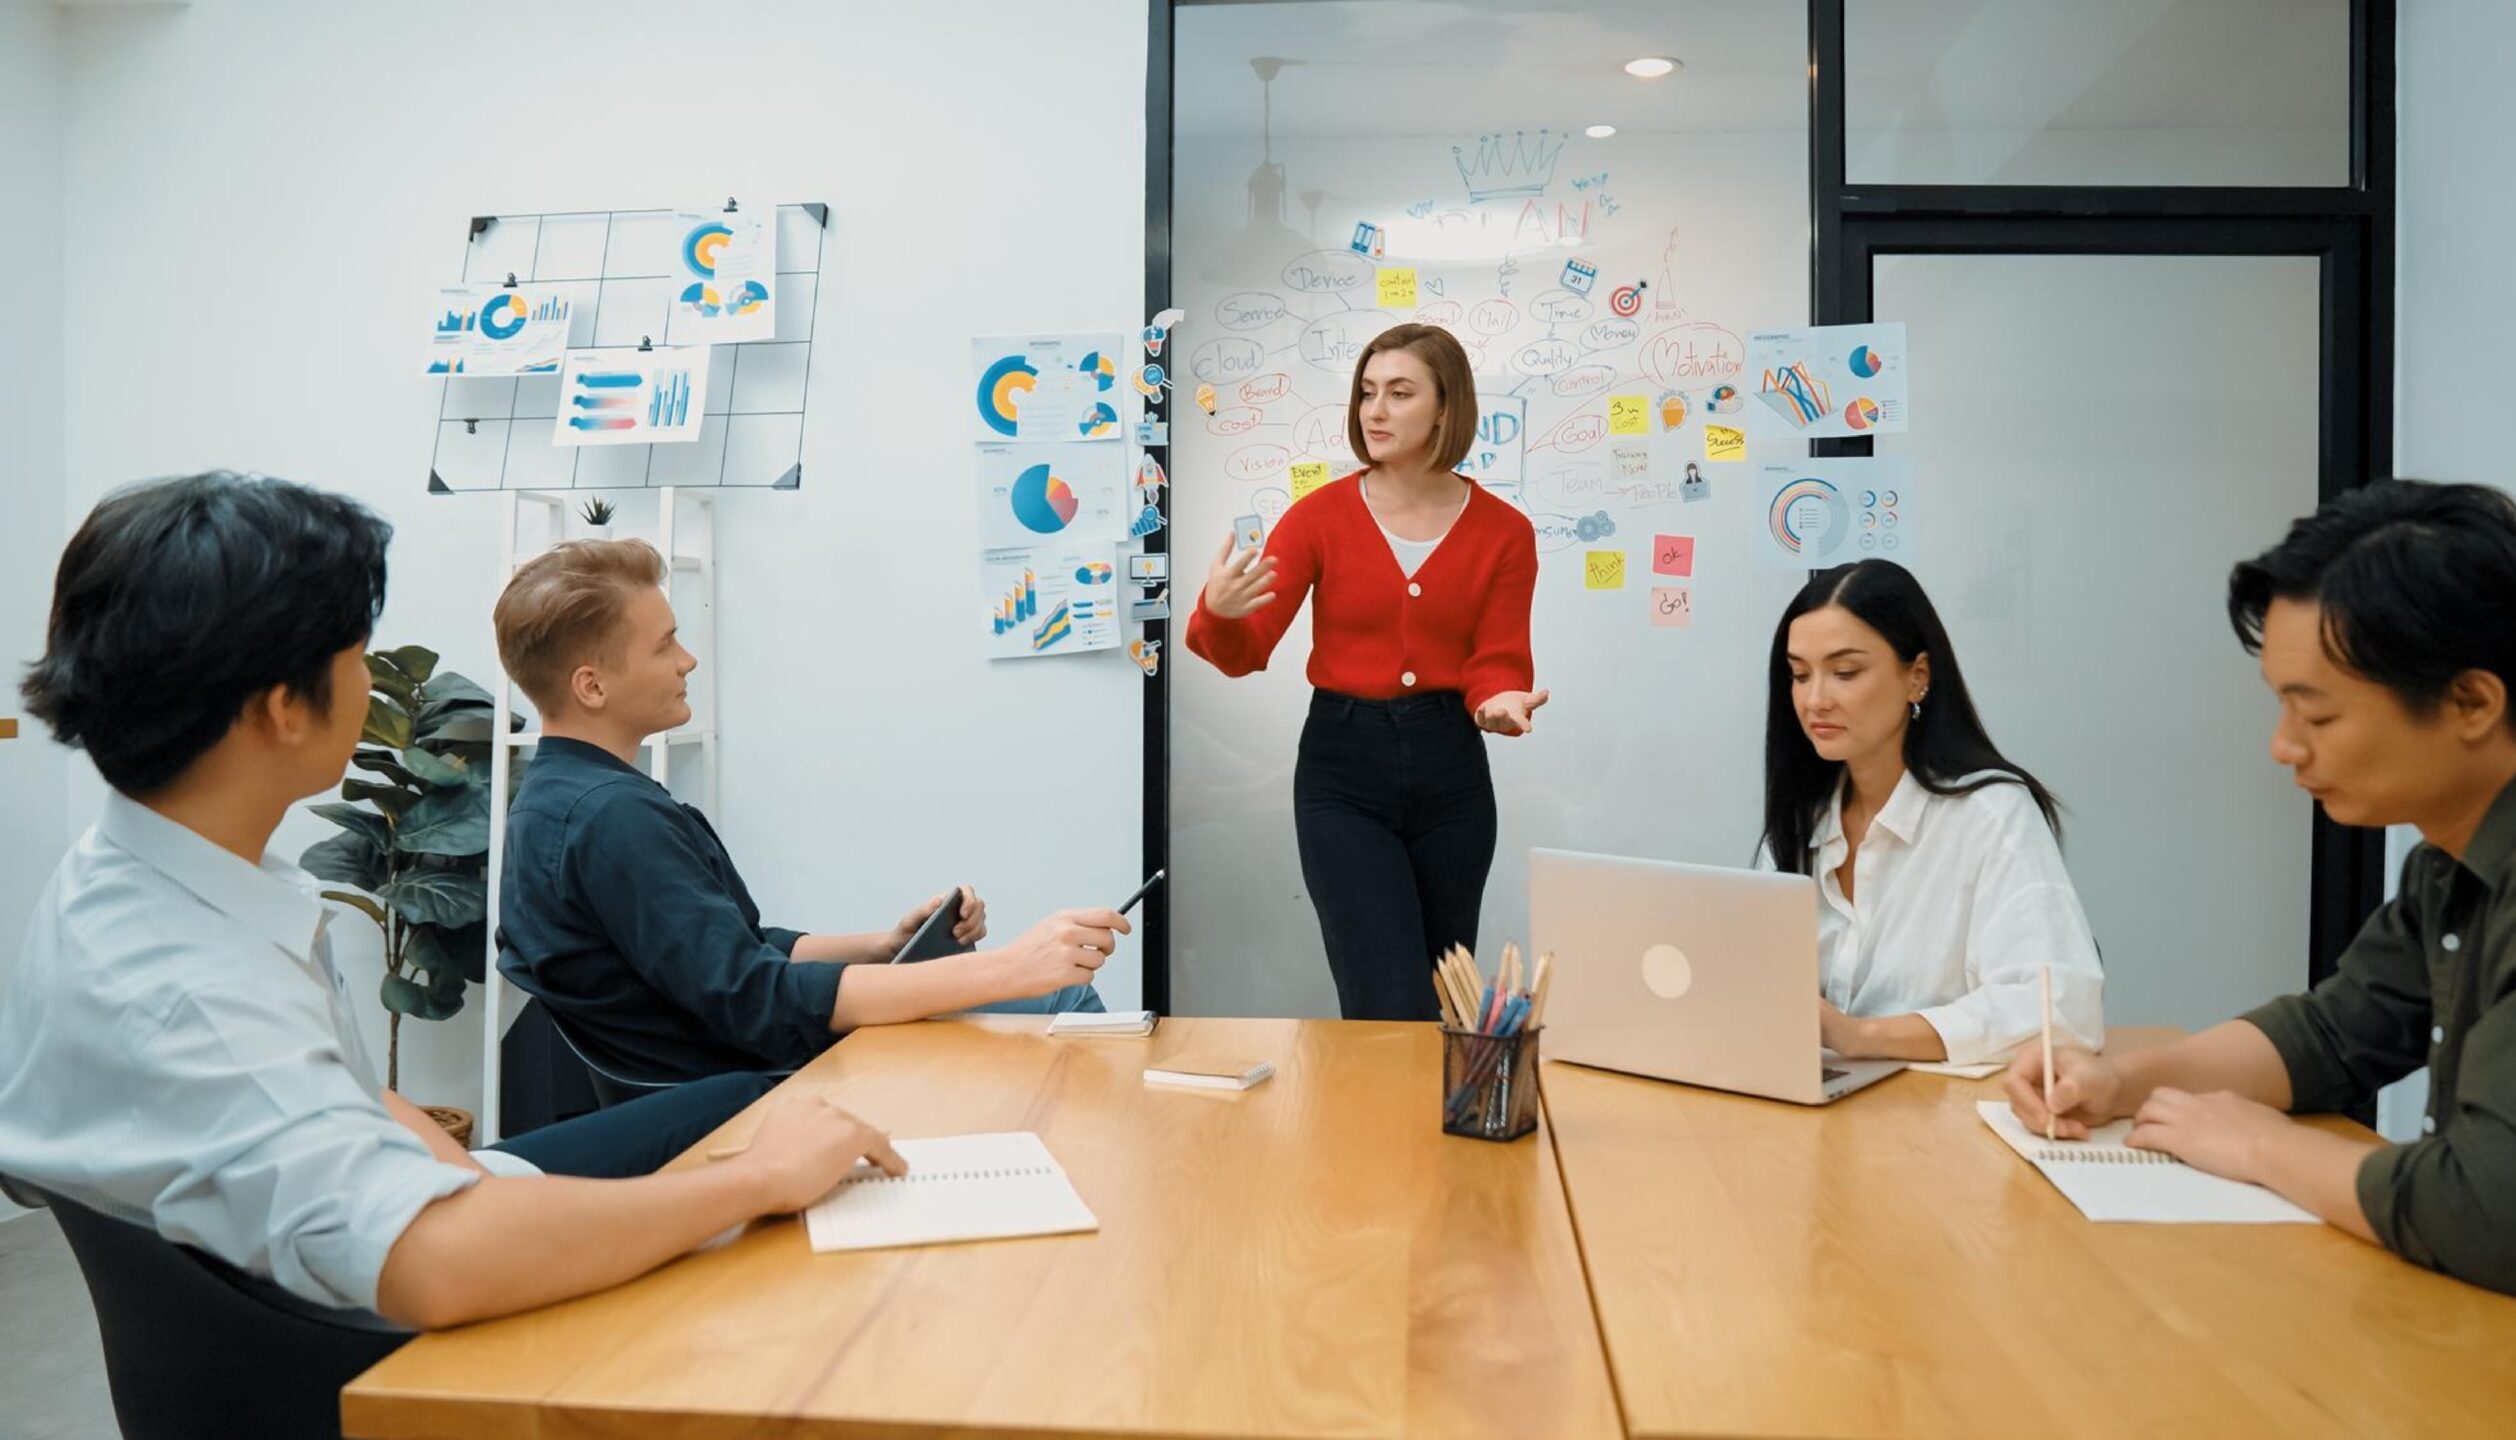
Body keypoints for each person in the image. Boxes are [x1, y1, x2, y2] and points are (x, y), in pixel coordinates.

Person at [0, 472, 903, 1329]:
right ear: (283, 708)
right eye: (356, 657)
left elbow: (346, 1094)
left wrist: (464, 1174)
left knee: (750, 1108)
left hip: (397, 1226)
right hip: (384, 1332)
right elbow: (437, 1262)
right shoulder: (194, 994)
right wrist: (757, 1180)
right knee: (786, 1163)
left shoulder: (130, 880)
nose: (370, 684)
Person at [2006, 480, 2516, 1295]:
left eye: (2318, 716)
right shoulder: (2452, 860)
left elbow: (2496, 1212)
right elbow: (2333, 1034)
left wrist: (2261, 1145)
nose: (2283, 746)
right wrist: (2123, 1082)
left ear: (2470, 700)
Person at [493, 538, 1123, 1085]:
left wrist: (883, 947)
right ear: (592, 686)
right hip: (762, 1086)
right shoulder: (611, 820)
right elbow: (757, 997)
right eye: (664, 646)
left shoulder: (558, 801)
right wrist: (1010, 969)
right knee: (1059, 997)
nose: (687, 660)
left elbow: (729, 952)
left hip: (740, 1060)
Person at [1188, 323, 1545, 1020]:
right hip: (1343, 774)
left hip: (1453, 775)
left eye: (1400, 393)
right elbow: (1245, 650)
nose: (1375, 411)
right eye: (1367, 392)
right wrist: (1221, 613)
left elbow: (1499, 657)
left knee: (1446, 1003)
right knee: (1385, 1004)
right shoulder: (1317, 518)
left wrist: (1498, 701)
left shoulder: (1506, 531)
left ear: (1446, 408)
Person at [1759, 559, 2104, 1063]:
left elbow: (2063, 1011)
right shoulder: (1800, 818)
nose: (1815, 700)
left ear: (1917, 677)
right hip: (1822, 1097)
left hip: (1943, 1105)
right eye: (1799, 674)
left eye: (1845, 673)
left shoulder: (1991, 815)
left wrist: (1859, 1036)